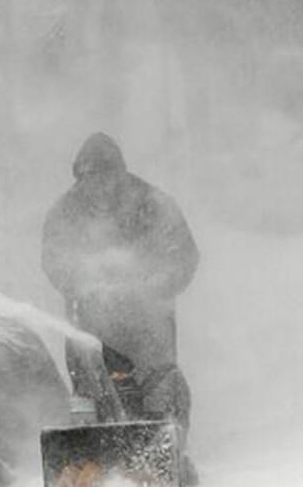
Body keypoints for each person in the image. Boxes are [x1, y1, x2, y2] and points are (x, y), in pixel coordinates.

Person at [41, 132, 199, 434]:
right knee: (90, 389)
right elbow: (54, 260)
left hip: (149, 321)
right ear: (79, 178)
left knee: (159, 385)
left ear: (120, 173)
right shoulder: (64, 213)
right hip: (89, 322)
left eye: (106, 177)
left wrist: (154, 286)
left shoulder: (152, 204)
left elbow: (183, 255)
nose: (99, 186)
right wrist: (82, 283)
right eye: (90, 179)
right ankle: (96, 450)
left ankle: (168, 441)